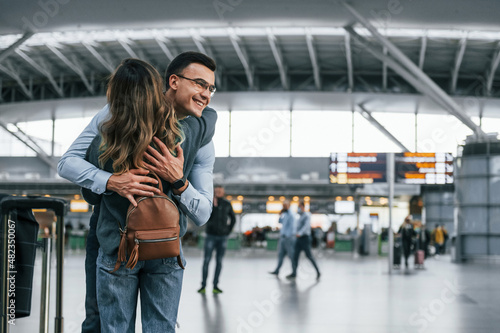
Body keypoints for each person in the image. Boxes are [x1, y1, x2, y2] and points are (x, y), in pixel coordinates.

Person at [57, 51, 218, 332]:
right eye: (199, 84)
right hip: (120, 234)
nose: (206, 94)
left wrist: (179, 181)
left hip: (147, 238)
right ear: (173, 81)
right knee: (101, 320)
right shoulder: (117, 113)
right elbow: (67, 162)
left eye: (211, 88)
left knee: (113, 324)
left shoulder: (201, 134)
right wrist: (111, 181)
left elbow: (203, 213)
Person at [198, 185, 236, 294]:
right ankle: (203, 286)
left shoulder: (227, 204)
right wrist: (213, 204)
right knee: (206, 261)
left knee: (219, 261)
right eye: (216, 190)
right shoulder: (209, 202)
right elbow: (203, 215)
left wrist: (227, 231)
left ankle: (215, 285)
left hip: (222, 237)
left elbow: (233, 219)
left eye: (220, 190)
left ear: (223, 192)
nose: (218, 192)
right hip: (210, 236)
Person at [287, 201, 321, 280]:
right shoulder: (299, 216)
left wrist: (300, 233)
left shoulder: (307, 215)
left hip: (305, 238)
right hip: (298, 239)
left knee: (309, 256)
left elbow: (306, 226)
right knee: (295, 256)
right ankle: (294, 273)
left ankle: (318, 271)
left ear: (303, 206)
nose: (298, 208)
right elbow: (296, 227)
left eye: (299, 206)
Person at [269, 201, 296, 276]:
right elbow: (279, 221)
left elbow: (293, 227)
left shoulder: (291, 214)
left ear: (289, 206)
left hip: (288, 238)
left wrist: (289, 236)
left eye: (285, 205)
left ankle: (294, 272)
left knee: (291, 255)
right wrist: (280, 214)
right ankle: (277, 270)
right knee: (280, 255)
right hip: (283, 238)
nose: (283, 207)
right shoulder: (285, 215)